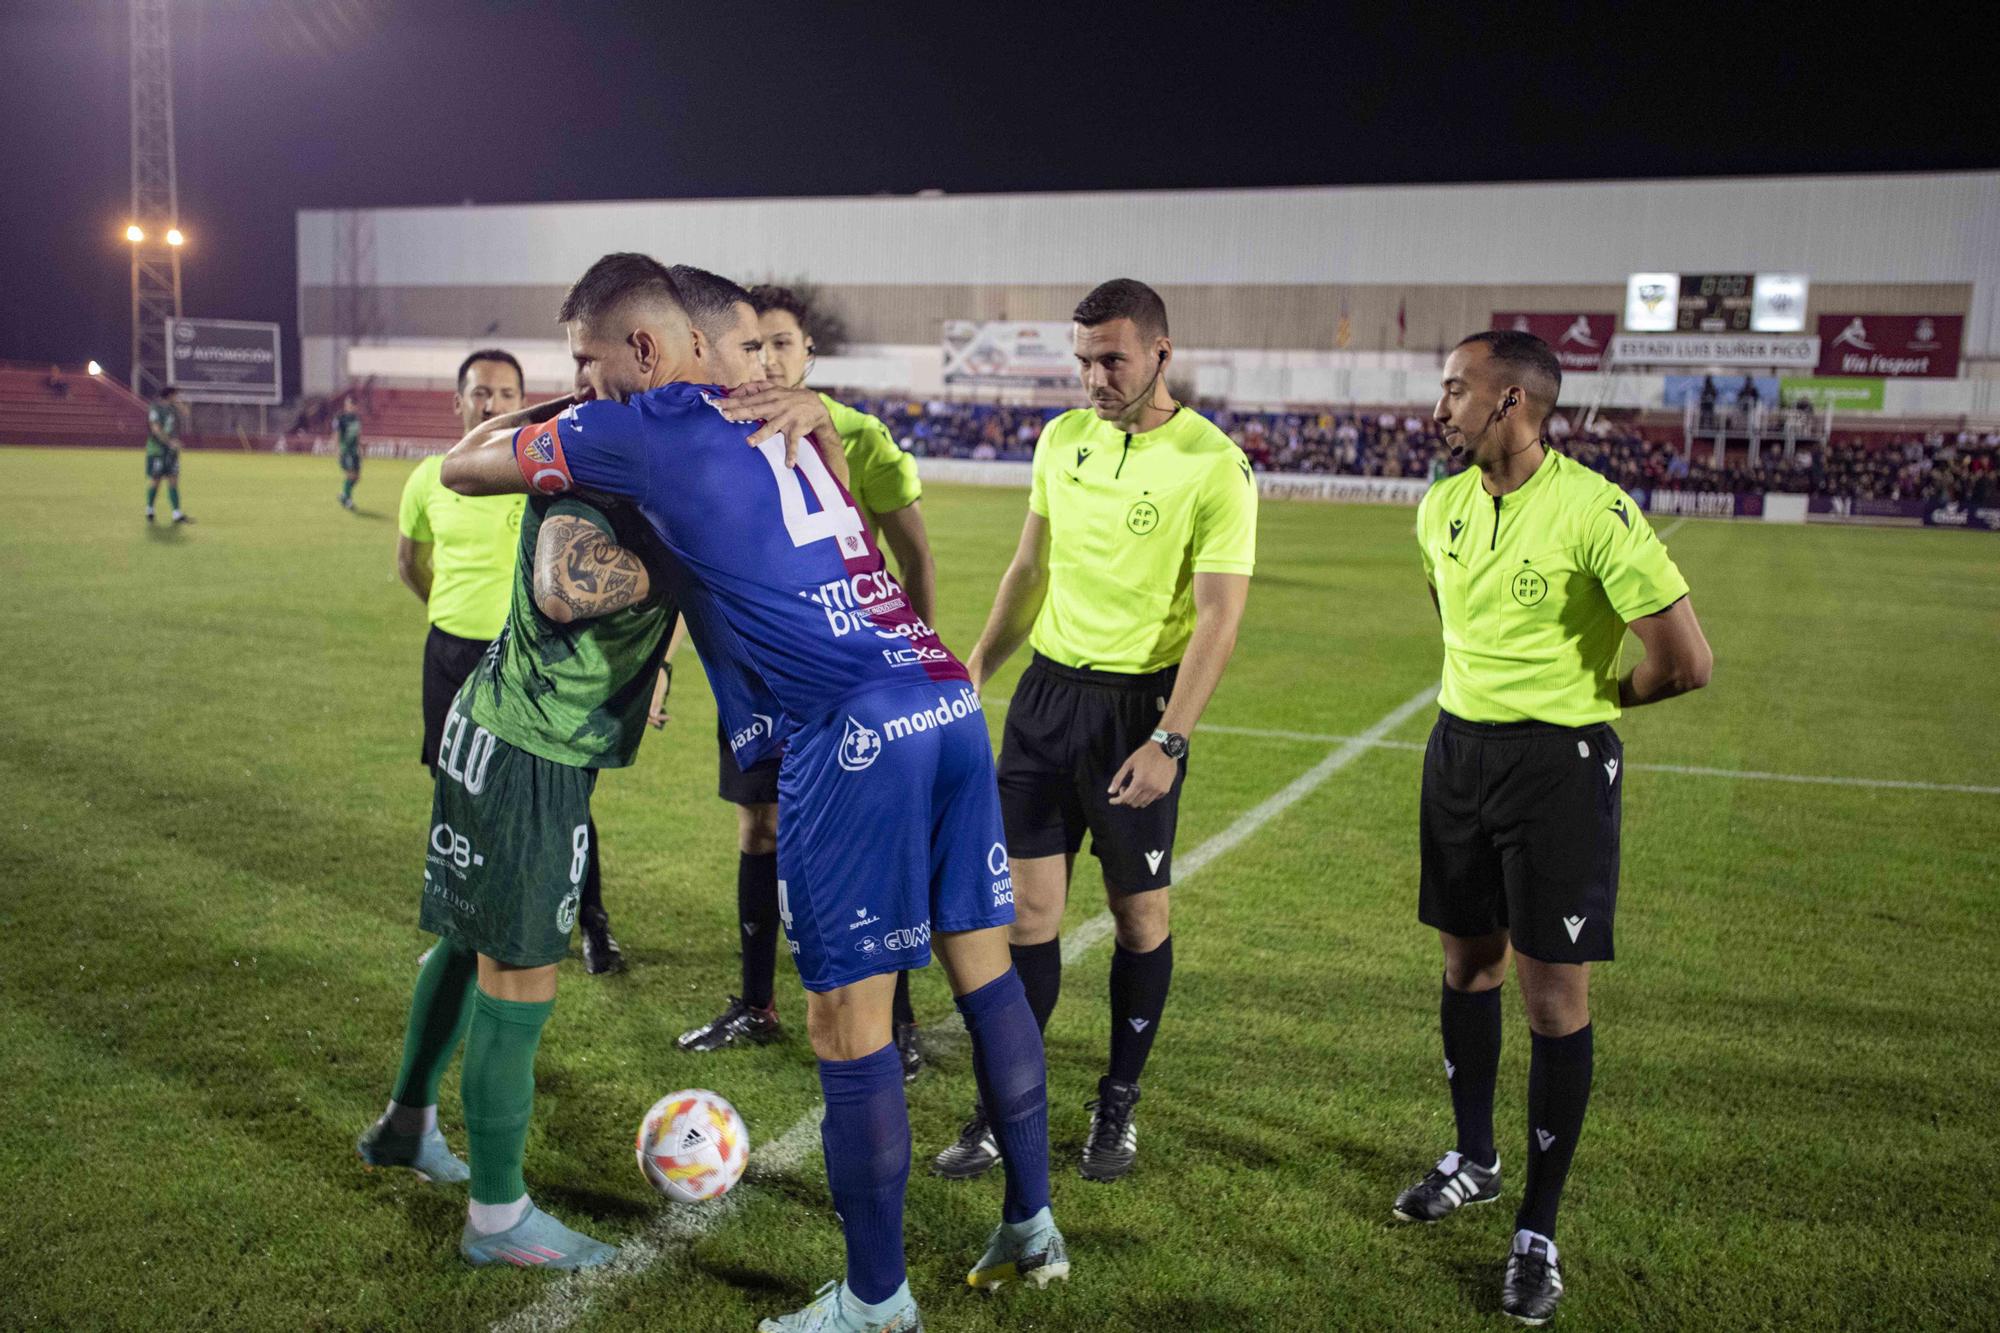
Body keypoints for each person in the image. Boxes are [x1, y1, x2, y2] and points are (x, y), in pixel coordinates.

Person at [444, 253, 1065, 1332]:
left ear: (641, 348)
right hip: (938, 695)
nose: (583, 382)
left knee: (845, 1024)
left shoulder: (634, 425)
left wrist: (561, 408)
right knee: (985, 970)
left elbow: (462, 468)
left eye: (588, 361)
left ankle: (875, 1300)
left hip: (851, 730)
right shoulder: (789, 413)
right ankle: (1032, 1228)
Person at [1396, 329, 1713, 1324]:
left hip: (1558, 768)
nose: (1440, 404)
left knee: (1550, 1002)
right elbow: (1448, 619)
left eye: (1456, 388)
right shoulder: (1438, 506)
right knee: (1464, 967)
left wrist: (1603, 695)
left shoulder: (1594, 510)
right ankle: (1473, 1158)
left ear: (1511, 404)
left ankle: (1536, 1224)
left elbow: (1685, 658)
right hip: (1457, 755)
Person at [931, 278, 1256, 1184]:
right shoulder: (1061, 439)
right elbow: (1028, 566)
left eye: (1111, 358)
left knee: (1138, 913)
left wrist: (1171, 739)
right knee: (1025, 915)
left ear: (1161, 351)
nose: (1094, 378)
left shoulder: (1213, 463)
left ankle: (1118, 1098)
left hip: (1134, 712)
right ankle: (1006, 1103)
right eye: (1082, 360)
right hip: (1044, 701)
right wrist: (978, 665)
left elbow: (1220, 616)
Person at [356, 370, 678, 1268]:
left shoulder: (585, 436)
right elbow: (562, 585)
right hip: (532, 751)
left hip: (494, 722)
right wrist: (695, 565)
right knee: (521, 970)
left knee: (467, 938)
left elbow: (462, 462)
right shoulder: (598, 454)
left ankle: (405, 1123)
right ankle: (498, 1216)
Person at [673, 283, 936, 1081]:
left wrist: (911, 664)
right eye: (756, 346)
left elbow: (914, 555)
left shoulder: (855, 434)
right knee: (758, 831)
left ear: (809, 355)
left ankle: (899, 1015)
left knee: (862, 836)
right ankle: (756, 1003)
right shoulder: (712, 437)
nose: (771, 360)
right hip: (754, 678)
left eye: (784, 345)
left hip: (849, 673)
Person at [394, 350, 623, 974]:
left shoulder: (536, 473)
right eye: (479, 393)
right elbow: (410, 563)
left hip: (521, 664)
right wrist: (447, 609)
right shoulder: (429, 478)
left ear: (522, 398)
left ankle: (593, 924)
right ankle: (466, 929)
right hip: (448, 651)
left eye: (503, 393)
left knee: (560, 800)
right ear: (458, 401)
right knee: (459, 793)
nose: (490, 404)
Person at [144, 386, 191, 523]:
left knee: (173, 480)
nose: (178, 398)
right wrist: (170, 442)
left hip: (171, 452)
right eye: (176, 395)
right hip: (157, 450)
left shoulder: (173, 408)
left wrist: (178, 404)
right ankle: (150, 510)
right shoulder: (155, 407)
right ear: (170, 395)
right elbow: (156, 428)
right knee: (156, 480)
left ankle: (176, 514)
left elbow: (186, 413)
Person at [334, 396, 364, 509]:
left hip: (354, 451)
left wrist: (360, 448)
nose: (350, 407)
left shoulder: (356, 419)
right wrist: (337, 449)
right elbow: (336, 434)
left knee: (357, 477)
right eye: (348, 405)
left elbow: (358, 435)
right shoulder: (341, 418)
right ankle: (348, 500)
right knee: (351, 474)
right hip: (345, 451)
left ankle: (343, 495)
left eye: (352, 405)